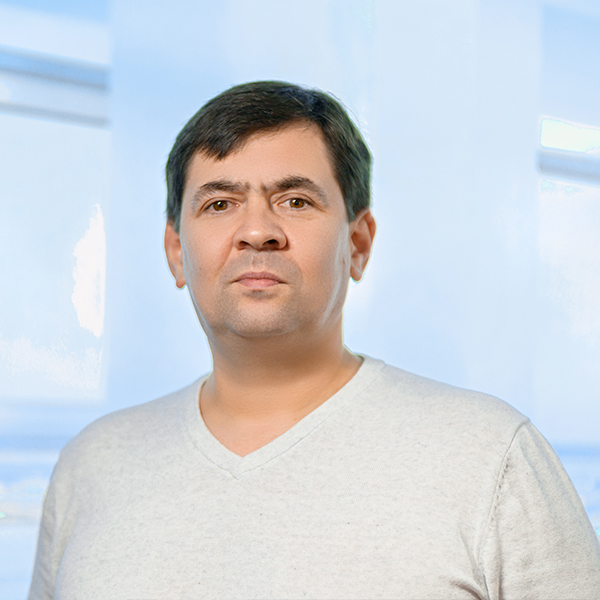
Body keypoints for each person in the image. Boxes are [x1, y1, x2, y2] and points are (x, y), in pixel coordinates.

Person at [29, 81, 600, 600]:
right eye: (220, 203)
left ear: (358, 244)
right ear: (177, 252)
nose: (257, 231)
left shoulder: (491, 457)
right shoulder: (92, 465)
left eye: (295, 201)